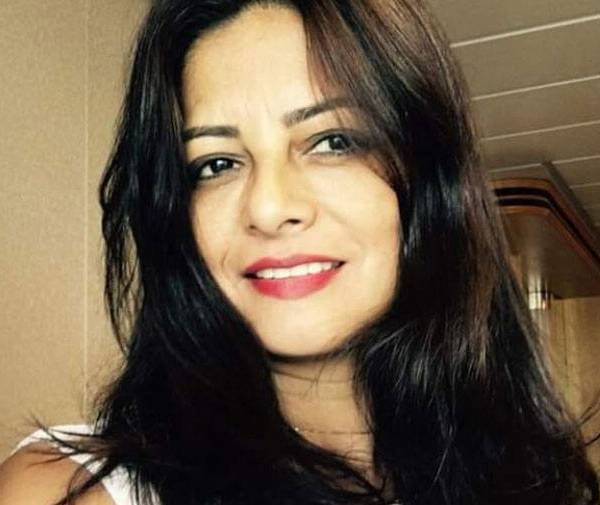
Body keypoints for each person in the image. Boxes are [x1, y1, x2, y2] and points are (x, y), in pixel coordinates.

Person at [0, 0, 598, 504]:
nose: (268, 207)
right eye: (216, 163)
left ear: (426, 178)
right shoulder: (67, 492)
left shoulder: (529, 474)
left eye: (332, 141)